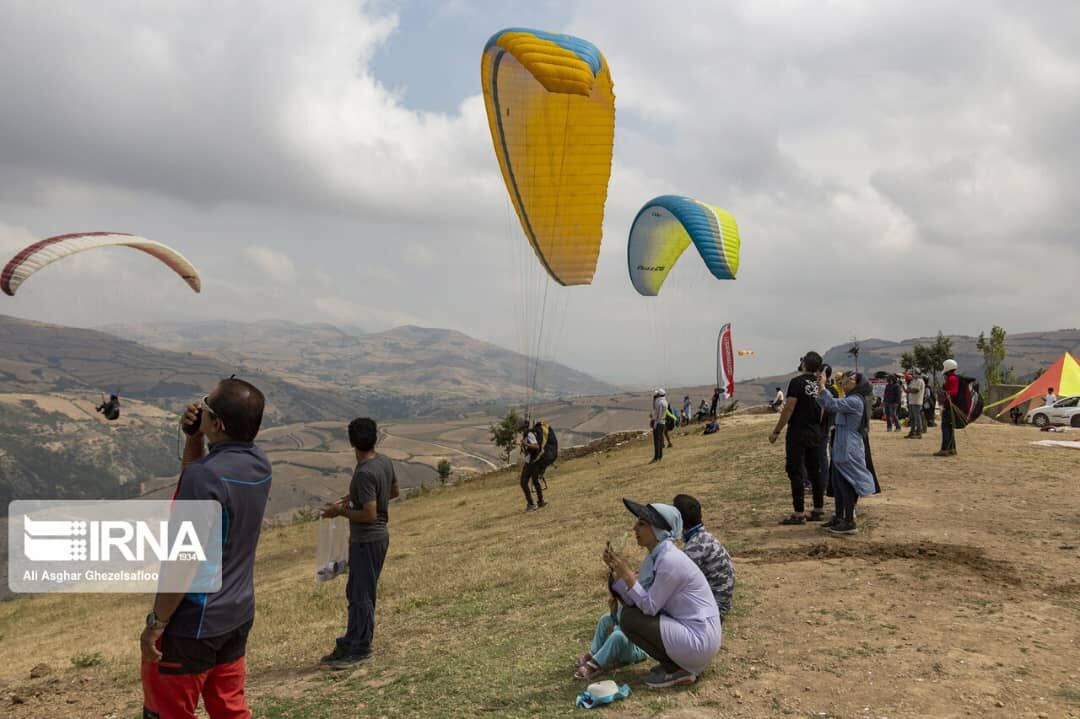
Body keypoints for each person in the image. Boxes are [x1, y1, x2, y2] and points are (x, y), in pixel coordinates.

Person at [141, 378, 271, 719]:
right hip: (237, 614)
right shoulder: (260, 465)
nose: (200, 409)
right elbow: (196, 482)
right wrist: (195, 439)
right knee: (229, 709)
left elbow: (184, 560)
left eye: (206, 407)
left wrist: (157, 622)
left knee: (168, 713)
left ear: (218, 423)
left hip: (192, 623)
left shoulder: (205, 477)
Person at [602, 499, 721, 688]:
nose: (634, 528)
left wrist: (629, 577)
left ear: (658, 531)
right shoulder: (655, 557)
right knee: (629, 616)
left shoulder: (669, 560)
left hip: (699, 638)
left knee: (630, 619)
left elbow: (648, 607)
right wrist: (618, 574)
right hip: (691, 631)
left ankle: (680, 669)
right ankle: (675, 666)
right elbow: (637, 601)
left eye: (642, 524)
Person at [320, 417, 400, 667]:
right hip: (378, 538)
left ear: (352, 441)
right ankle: (352, 639)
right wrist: (355, 498)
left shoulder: (364, 472)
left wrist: (338, 511)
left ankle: (361, 648)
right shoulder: (383, 462)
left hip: (367, 540)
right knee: (357, 591)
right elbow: (394, 491)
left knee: (361, 595)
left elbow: (369, 515)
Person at [816, 372, 876, 535]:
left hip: (849, 445)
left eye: (850, 380)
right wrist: (820, 391)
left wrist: (822, 387)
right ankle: (839, 516)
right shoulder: (851, 399)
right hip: (842, 442)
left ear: (858, 384)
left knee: (846, 483)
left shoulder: (855, 400)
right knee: (837, 482)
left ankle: (849, 520)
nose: (846, 382)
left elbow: (833, 404)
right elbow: (827, 403)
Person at [769, 352, 825, 524]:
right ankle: (818, 509)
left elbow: (789, 408)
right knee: (815, 470)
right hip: (815, 431)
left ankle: (799, 513)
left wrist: (777, 431)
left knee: (795, 470)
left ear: (805, 364)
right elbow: (823, 407)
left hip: (798, 432)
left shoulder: (796, 382)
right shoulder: (820, 384)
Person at [672, 495, 735, 619]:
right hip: (720, 602)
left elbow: (674, 584)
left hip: (712, 610)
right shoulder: (704, 537)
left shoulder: (694, 548)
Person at [517, 420, 555, 512]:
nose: (520, 432)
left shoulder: (529, 434)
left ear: (523, 428)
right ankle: (540, 502)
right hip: (535, 460)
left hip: (531, 462)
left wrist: (526, 444)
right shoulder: (529, 434)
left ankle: (531, 505)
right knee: (535, 480)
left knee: (523, 482)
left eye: (521, 430)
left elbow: (536, 446)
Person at [935, 359, 960, 457]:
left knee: (946, 428)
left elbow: (954, 392)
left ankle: (945, 449)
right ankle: (952, 449)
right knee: (949, 428)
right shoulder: (952, 378)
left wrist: (945, 393)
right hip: (950, 406)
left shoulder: (952, 379)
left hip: (950, 407)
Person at [650, 390, 669, 463]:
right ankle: (660, 456)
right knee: (660, 439)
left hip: (658, 422)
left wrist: (654, 422)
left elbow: (657, 414)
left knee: (656, 441)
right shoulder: (665, 402)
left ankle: (656, 457)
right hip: (663, 422)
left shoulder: (658, 402)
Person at [905, 371, 926, 439]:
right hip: (912, 401)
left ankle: (919, 432)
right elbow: (909, 389)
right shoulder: (913, 381)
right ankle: (912, 432)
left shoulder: (920, 381)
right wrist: (910, 389)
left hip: (917, 402)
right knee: (913, 418)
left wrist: (910, 390)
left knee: (917, 417)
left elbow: (916, 390)